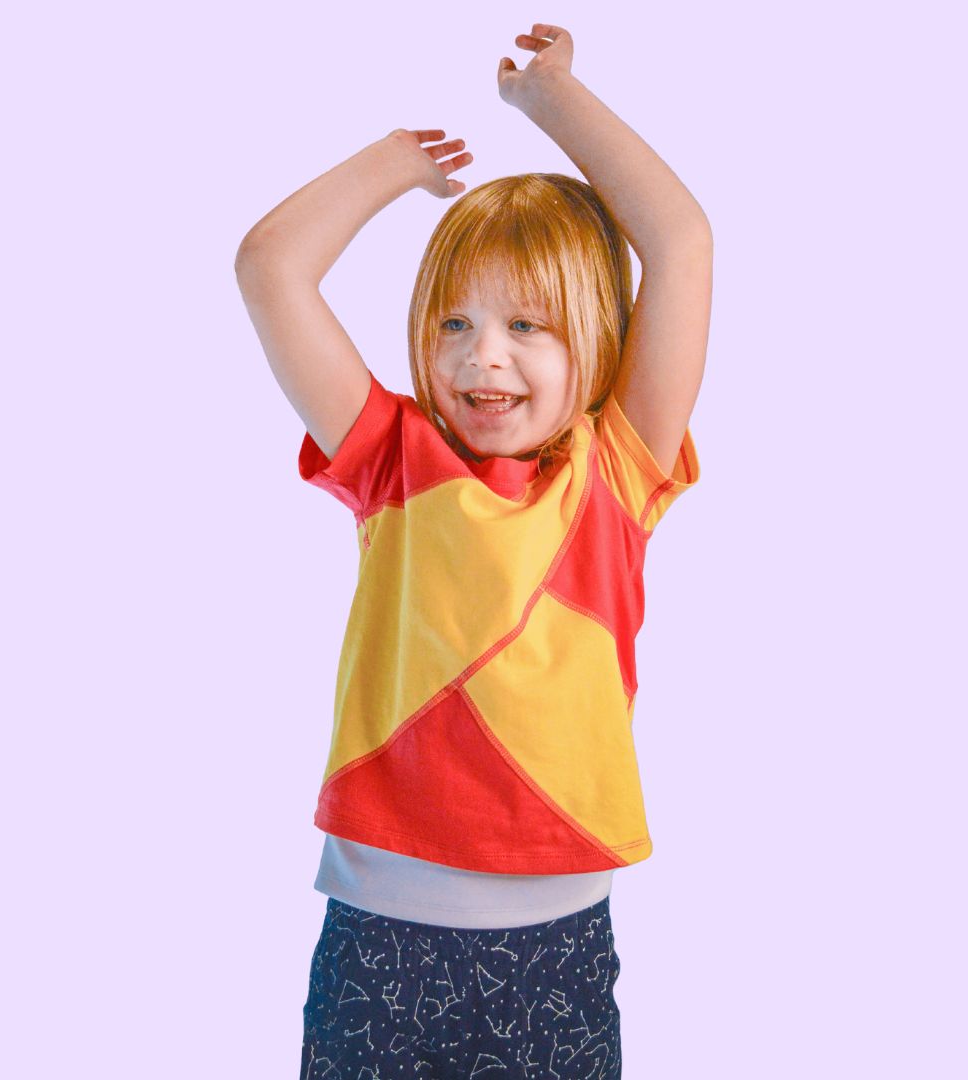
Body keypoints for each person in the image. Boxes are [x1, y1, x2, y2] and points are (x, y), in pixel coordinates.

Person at [235, 22, 711, 1079]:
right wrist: (393, 166)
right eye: (453, 322)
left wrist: (553, 105)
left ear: (600, 338)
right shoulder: (391, 459)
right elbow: (270, 267)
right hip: (378, 934)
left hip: (556, 948)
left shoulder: (618, 472)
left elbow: (680, 241)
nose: (481, 355)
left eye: (528, 325)